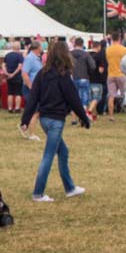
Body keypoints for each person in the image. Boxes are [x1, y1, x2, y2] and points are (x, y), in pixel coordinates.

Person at [20, 40, 91, 201]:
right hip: (56, 121)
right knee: (49, 155)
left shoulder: (42, 74)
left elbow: (33, 98)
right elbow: (74, 100)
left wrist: (25, 119)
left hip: (45, 119)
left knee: (63, 152)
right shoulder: (64, 76)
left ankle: (70, 188)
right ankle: (38, 193)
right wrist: (84, 119)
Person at [69, 37, 95, 120]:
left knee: (73, 98)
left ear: (74, 44)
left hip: (72, 78)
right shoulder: (86, 54)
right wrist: (89, 73)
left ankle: (73, 119)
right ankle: (83, 116)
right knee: (84, 98)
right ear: (82, 44)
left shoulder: (69, 54)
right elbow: (93, 66)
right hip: (84, 77)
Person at [104, 33, 126, 118]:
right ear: (119, 39)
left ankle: (111, 116)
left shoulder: (108, 49)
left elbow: (108, 61)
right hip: (121, 74)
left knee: (111, 96)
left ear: (111, 39)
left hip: (111, 74)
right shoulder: (124, 49)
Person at [2, 43, 25, 113]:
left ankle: (10, 108)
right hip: (17, 76)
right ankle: (17, 108)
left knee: (10, 93)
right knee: (18, 93)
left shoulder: (7, 55)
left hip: (9, 77)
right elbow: (20, 66)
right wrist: (13, 74)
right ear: (18, 48)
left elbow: (3, 65)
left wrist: (6, 73)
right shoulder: (20, 56)